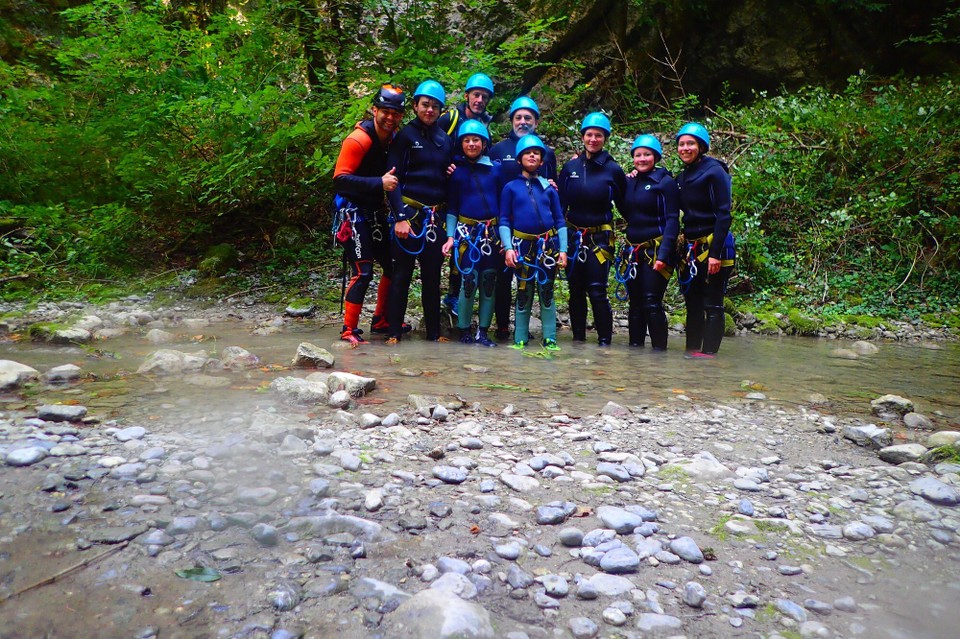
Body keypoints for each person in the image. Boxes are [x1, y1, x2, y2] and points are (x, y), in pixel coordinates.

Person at [332, 84, 406, 345]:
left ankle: (380, 319)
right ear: (374, 110)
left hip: (374, 211)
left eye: (396, 113)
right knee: (363, 272)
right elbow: (340, 179)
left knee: (391, 265)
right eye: (385, 111)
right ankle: (348, 328)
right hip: (352, 213)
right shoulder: (358, 139)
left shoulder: (393, 138)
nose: (390, 117)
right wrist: (379, 183)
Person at [384, 80, 454, 343]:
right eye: (425, 104)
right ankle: (393, 333)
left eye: (435, 106)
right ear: (415, 106)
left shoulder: (444, 140)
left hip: (434, 219)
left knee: (432, 277)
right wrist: (400, 217)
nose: (430, 110)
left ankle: (434, 334)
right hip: (409, 216)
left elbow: (447, 178)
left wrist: (453, 173)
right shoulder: (404, 137)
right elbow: (392, 180)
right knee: (402, 274)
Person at [489, 96, 558, 341]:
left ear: (536, 121)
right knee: (503, 278)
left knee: (534, 283)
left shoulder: (546, 153)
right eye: (518, 117)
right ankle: (503, 327)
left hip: (536, 233)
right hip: (503, 225)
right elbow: (489, 184)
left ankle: (541, 332)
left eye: (528, 117)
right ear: (511, 121)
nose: (523, 121)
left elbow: (551, 187)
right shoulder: (498, 150)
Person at [558, 112, 626, 346]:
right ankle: (578, 340)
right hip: (574, 237)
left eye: (598, 135)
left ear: (605, 138)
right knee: (576, 290)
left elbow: (626, 204)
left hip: (600, 238)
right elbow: (560, 205)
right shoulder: (570, 168)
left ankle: (604, 343)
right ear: (583, 137)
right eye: (589, 135)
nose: (593, 139)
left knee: (597, 291)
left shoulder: (613, 170)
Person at [499, 135, 568, 350]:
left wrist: (563, 250)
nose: (532, 156)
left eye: (536, 153)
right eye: (528, 153)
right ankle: (520, 337)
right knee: (523, 291)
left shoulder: (548, 188)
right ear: (519, 160)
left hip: (547, 246)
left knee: (546, 292)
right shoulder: (510, 188)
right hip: (522, 246)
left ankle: (550, 338)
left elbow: (559, 220)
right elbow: (504, 220)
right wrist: (508, 248)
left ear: (541, 161)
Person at [442, 120, 505, 347]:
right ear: (461, 143)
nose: (471, 144)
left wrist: (505, 239)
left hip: (492, 234)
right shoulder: (456, 173)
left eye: (476, 140)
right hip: (466, 234)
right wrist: (450, 237)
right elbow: (452, 208)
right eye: (467, 140)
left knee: (489, 282)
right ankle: (465, 330)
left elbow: (504, 204)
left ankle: (484, 332)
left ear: (484, 143)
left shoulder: (496, 170)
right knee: (469, 281)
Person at [675, 122, 735, 358]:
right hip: (691, 247)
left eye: (691, 143)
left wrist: (714, 254)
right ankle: (692, 349)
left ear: (701, 146)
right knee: (693, 302)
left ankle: (708, 354)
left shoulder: (715, 171)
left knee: (713, 303)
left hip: (714, 245)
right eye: (681, 144)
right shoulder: (682, 177)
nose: (685, 148)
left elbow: (724, 214)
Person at [438, 73, 496, 318]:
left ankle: (456, 296)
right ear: (467, 96)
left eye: (484, 96)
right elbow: (432, 143)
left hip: (467, 188)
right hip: (446, 187)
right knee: (450, 246)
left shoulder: (485, 127)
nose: (479, 100)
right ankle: (451, 297)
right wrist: (444, 166)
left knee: (461, 250)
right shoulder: (450, 119)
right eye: (476, 95)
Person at [617, 134, 680, 350]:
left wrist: (663, 254)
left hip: (657, 250)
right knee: (635, 303)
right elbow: (625, 211)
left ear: (656, 157)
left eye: (647, 154)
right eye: (638, 155)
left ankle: (659, 352)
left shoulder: (665, 182)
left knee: (652, 300)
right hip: (633, 251)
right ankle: (635, 351)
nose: (642, 159)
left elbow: (673, 220)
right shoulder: (630, 182)